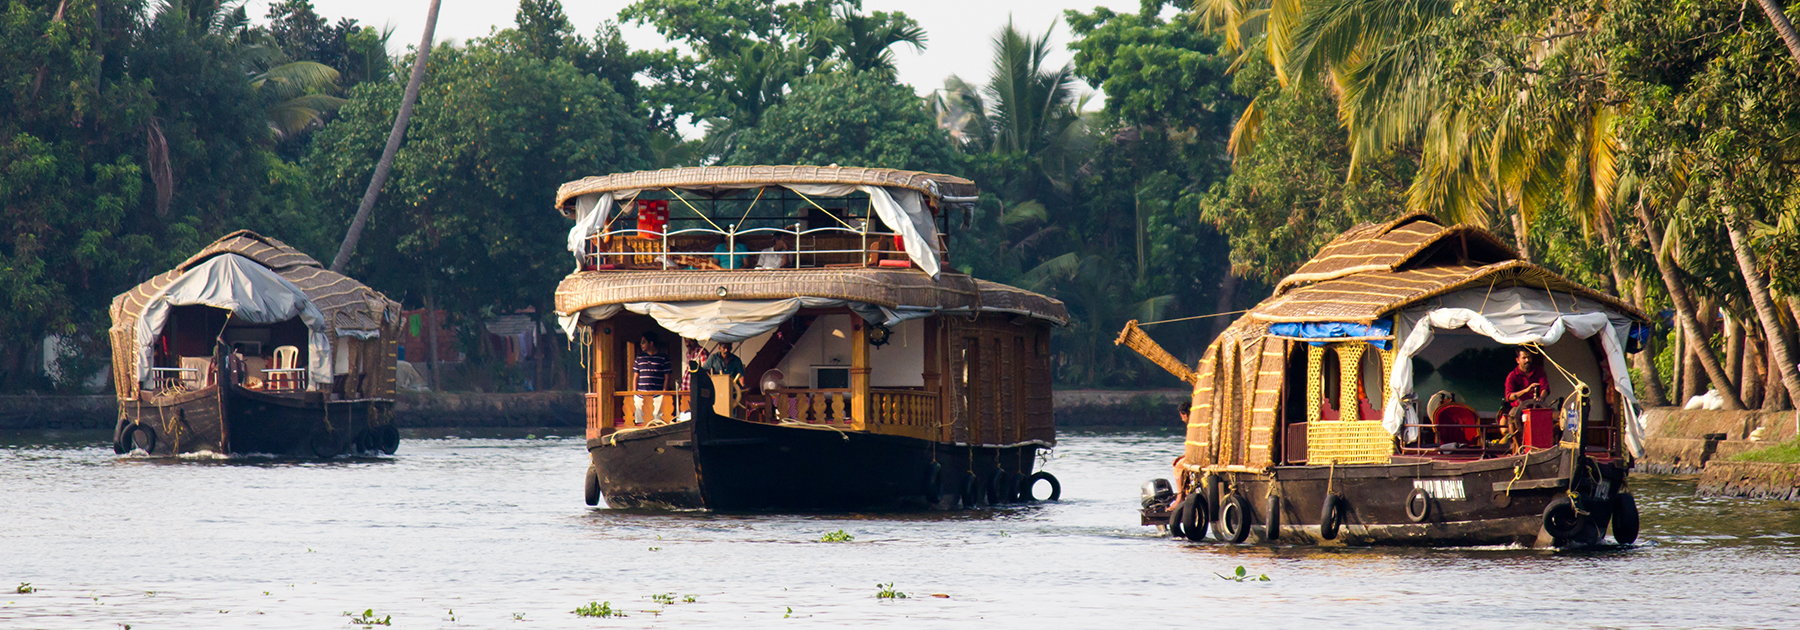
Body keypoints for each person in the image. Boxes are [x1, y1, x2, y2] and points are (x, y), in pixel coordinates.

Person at [1501, 348, 1549, 441]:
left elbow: (1545, 388)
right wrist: (1526, 390)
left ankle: (1550, 444)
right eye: (1524, 358)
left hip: (1537, 407)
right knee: (1512, 417)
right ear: (1517, 360)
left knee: (1556, 417)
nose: (1527, 360)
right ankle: (1519, 448)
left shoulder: (1539, 371)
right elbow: (1509, 396)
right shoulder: (1512, 376)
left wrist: (1541, 398)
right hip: (1519, 408)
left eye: (1529, 357)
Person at [633, 333, 673, 424]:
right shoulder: (639, 358)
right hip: (641, 395)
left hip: (657, 395)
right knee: (640, 421)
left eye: (643, 342)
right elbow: (635, 376)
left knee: (656, 421)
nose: (641, 344)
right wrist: (634, 392)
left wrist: (663, 392)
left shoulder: (663, 358)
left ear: (651, 343)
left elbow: (667, 377)